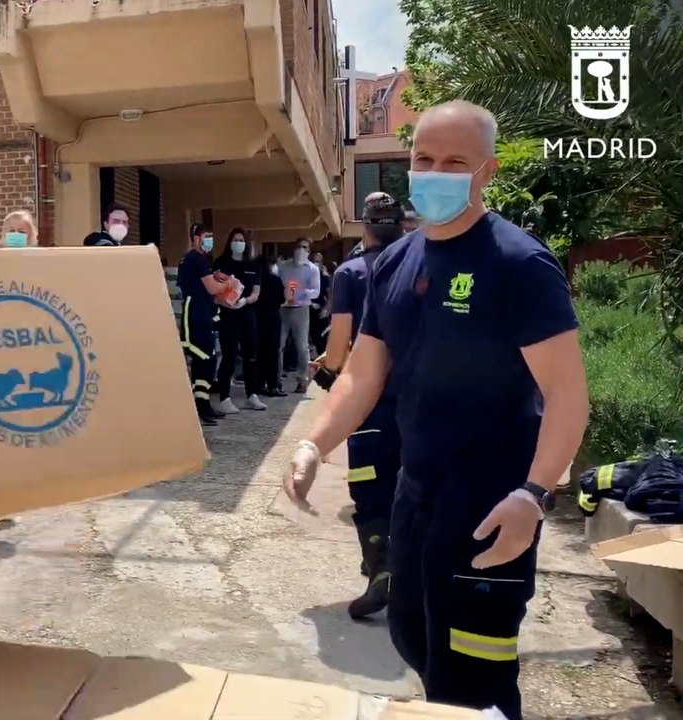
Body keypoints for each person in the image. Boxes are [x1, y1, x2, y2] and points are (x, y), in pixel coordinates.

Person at [284, 101, 589, 719]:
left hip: (491, 503)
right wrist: (315, 444)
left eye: (456, 162)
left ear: (487, 171)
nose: (435, 173)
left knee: (475, 674)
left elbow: (567, 394)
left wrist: (535, 494)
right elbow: (363, 375)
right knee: (414, 636)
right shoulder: (396, 263)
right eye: (424, 159)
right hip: (414, 492)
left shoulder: (517, 264)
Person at [314, 192, 406, 620]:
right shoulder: (421, 264)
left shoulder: (351, 272)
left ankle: (382, 571)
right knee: (414, 488)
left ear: (363, 226)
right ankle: (416, 580)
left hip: (369, 405)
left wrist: (328, 371)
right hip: (420, 400)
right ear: (401, 224)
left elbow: (339, 349)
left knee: (371, 491)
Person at [177, 223, 231, 426]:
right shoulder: (195, 259)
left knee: (205, 362)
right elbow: (211, 288)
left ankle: (203, 404)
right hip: (196, 317)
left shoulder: (198, 260)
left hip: (202, 314)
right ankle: (201, 406)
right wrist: (228, 284)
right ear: (196, 238)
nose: (210, 241)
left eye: (211, 237)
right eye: (206, 236)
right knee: (205, 360)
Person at [211, 228, 267, 414]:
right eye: (235, 239)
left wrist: (245, 300)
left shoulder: (253, 265)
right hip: (228, 315)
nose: (238, 242)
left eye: (241, 239)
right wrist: (225, 302)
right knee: (228, 356)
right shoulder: (221, 263)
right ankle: (225, 397)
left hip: (247, 314)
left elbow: (256, 292)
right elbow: (214, 290)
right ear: (229, 242)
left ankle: (252, 394)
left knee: (250, 356)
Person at [276, 238, 321, 394]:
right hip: (283, 309)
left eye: (305, 247)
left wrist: (300, 292)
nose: (301, 250)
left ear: (309, 251)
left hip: (301, 309)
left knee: (302, 347)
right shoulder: (283, 266)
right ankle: (276, 381)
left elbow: (316, 291)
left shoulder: (312, 269)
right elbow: (275, 284)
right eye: (299, 246)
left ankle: (303, 380)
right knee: (278, 345)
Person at [253, 244, 286, 397]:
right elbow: (282, 299)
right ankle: (273, 385)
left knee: (259, 353)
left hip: (257, 318)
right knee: (273, 353)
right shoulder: (275, 280)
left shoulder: (256, 281)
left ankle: (259, 384)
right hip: (272, 318)